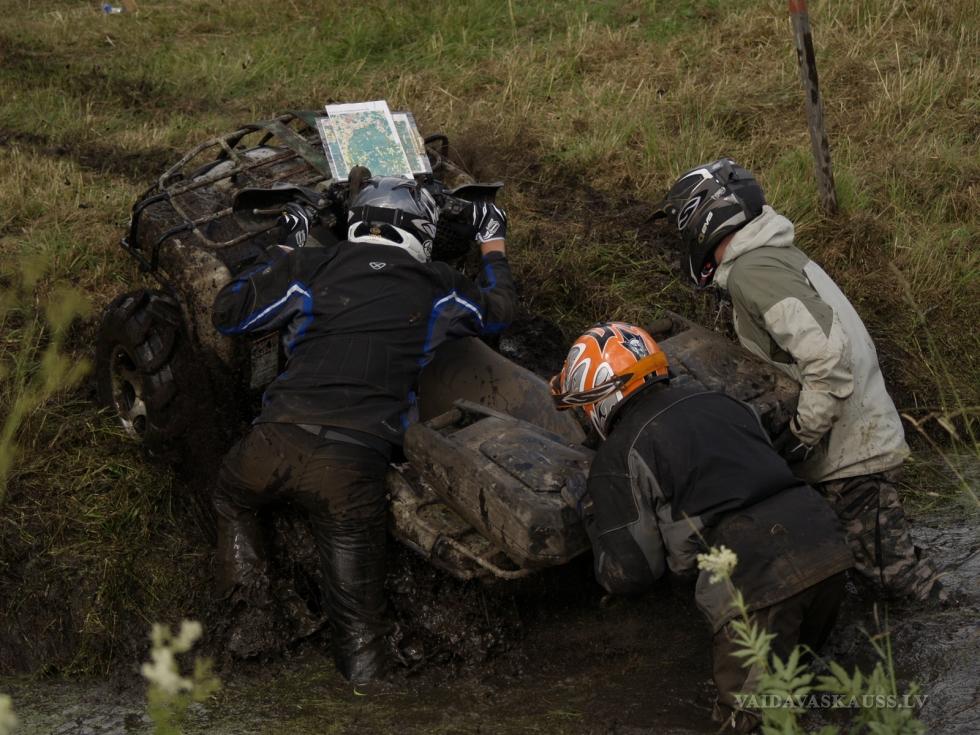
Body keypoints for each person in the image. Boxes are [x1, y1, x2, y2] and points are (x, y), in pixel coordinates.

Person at [210, 176, 517, 687]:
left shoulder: (310, 266)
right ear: (421, 232)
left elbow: (228, 313)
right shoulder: (439, 284)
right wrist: (492, 242)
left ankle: (253, 618)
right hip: (351, 467)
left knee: (230, 497)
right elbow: (500, 313)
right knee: (358, 631)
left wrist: (285, 243)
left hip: (271, 443)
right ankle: (367, 698)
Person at [655, 158, 944, 603]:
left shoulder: (755, 270)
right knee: (873, 576)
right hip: (854, 442)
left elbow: (827, 355)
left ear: (705, 217)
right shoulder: (771, 258)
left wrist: (801, 434)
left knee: (899, 587)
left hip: (848, 454)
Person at [551, 322, 854, 733]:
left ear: (602, 397)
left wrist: (592, 512)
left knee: (748, 722)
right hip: (827, 546)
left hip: (755, 579)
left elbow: (631, 572)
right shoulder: (722, 401)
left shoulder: (618, 455)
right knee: (800, 692)